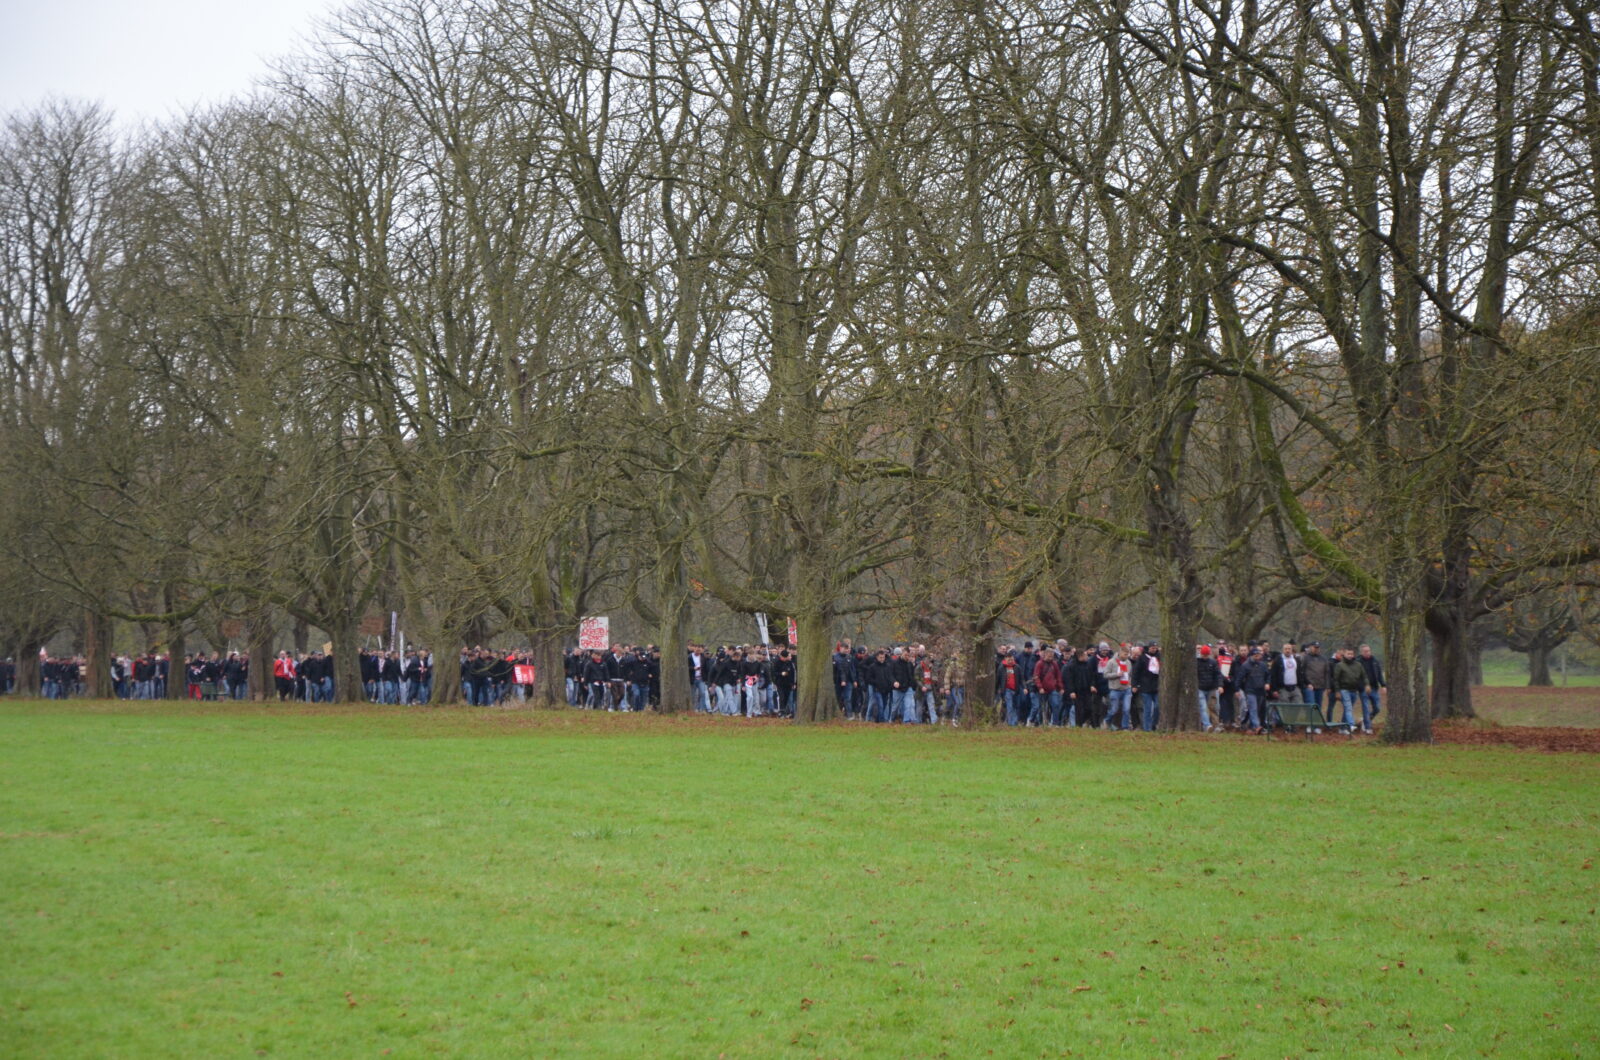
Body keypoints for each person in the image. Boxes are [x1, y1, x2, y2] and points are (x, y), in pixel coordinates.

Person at [1331, 647, 1370, 731]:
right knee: (1348, 707)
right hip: (1344, 690)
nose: (1350, 656)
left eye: (1351, 654)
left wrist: (1367, 684)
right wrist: (1337, 691)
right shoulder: (1340, 665)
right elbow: (1336, 680)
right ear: (1344, 654)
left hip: (1354, 690)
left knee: (1347, 709)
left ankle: (1342, 728)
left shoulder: (1358, 665)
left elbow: (1364, 676)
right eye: (1348, 654)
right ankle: (1351, 725)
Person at [1236, 646, 1271, 732]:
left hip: (1261, 691)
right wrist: (1237, 690)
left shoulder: (1263, 665)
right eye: (1255, 655)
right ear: (1251, 656)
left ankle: (1248, 724)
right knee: (1253, 708)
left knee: (1257, 709)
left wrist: (1267, 683)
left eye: (1258, 655)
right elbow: (1239, 678)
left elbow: (1268, 676)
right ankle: (1257, 726)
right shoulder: (1245, 666)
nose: (1257, 657)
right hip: (1250, 690)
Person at [1034, 646, 1065, 726]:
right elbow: (1036, 677)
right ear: (1045, 655)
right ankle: (1040, 722)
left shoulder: (1054, 664)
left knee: (1056, 705)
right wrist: (1040, 687)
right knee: (1041, 707)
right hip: (1043, 689)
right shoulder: (1039, 664)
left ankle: (1055, 723)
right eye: (1049, 656)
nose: (1050, 658)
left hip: (1052, 689)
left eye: (1052, 656)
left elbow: (1058, 676)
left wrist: (1060, 687)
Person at [1301, 642, 1331, 723]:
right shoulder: (1305, 658)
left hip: (1320, 686)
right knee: (1311, 705)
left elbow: (1327, 673)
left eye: (1318, 647)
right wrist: (1306, 684)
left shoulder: (1324, 658)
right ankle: (1309, 724)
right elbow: (1301, 672)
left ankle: (1317, 724)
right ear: (1310, 647)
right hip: (1309, 686)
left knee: (1318, 706)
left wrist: (1328, 686)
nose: (1316, 649)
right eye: (1315, 647)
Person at [1104, 646, 1133, 730]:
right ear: (1120, 653)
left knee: (1126, 709)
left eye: (1128, 654)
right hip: (1115, 689)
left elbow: (1130, 674)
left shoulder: (1128, 663)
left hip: (1126, 689)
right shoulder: (1111, 662)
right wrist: (1117, 675)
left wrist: (1130, 681)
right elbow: (1105, 675)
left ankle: (1125, 727)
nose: (1127, 656)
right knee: (1114, 709)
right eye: (1125, 654)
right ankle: (1107, 721)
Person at [1133, 643, 1161, 730]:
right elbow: (1136, 672)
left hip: (1157, 687)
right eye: (1152, 648)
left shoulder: (1159, 657)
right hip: (1145, 687)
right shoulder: (1142, 658)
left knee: (1157, 707)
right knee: (1147, 708)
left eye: (1155, 648)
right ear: (1148, 648)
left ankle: (1154, 723)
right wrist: (1135, 684)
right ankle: (1146, 728)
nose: (1154, 650)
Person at [1196, 644, 1221, 732]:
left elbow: (1218, 674)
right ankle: (1207, 725)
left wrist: (1219, 685)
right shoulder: (1196, 662)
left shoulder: (1213, 662)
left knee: (1213, 707)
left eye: (1206, 655)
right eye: (1204, 655)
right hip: (1200, 688)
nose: (1205, 657)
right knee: (1203, 707)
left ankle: (1216, 725)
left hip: (1212, 688)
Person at [1358, 644, 1385, 726]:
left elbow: (1379, 674)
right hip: (1363, 689)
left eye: (1369, 651)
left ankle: (1366, 720)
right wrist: (1363, 685)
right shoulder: (1358, 662)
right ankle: (1367, 727)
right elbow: (1357, 677)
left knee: (1377, 708)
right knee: (1365, 708)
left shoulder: (1375, 661)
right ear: (1361, 652)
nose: (1368, 653)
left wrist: (1383, 685)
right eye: (1365, 651)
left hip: (1374, 688)